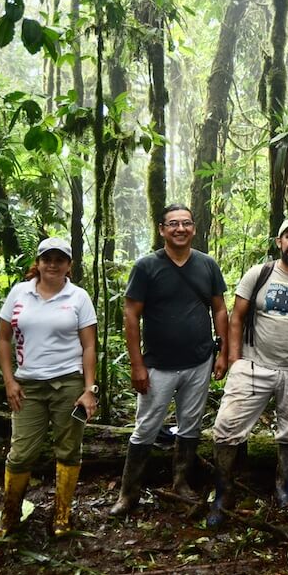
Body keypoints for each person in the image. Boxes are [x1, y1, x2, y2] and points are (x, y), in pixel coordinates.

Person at [206, 218, 288, 527]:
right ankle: (223, 494)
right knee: (226, 428)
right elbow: (237, 317)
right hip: (253, 366)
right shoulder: (259, 274)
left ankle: (284, 489)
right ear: (279, 241)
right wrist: (235, 360)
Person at [110, 204, 229, 516]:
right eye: (173, 224)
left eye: (186, 223)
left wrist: (223, 351)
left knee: (190, 424)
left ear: (193, 228)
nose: (180, 229)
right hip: (157, 365)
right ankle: (128, 492)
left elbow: (219, 308)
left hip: (199, 361)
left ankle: (181, 482)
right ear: (162, 229)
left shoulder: (206, 265)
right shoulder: (147, 267)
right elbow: (131, 315)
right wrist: (137, 365)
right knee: (146, 426)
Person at [0, 237, 98, 538]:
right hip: (28, 386)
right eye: (47, 259)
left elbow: (89, 346)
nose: (53, 264)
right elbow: (2, 338)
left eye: (59, 259)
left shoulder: (78, 297)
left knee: (68, 449)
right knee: (22, 452)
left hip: (68, 383)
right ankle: (10, 514)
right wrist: (9, 381)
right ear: (37, 263)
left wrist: (90, 389)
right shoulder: (19, 293)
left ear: (69, 265)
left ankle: (61, 515)